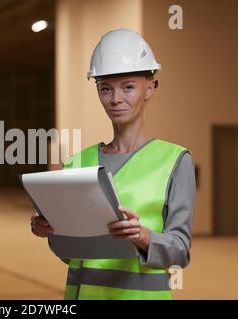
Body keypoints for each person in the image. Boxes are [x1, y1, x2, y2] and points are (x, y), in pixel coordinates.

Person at [30, 28, 196, 300]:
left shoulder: (175, 161)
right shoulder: (77, 163)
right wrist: (51, 231)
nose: (116, 99)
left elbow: (181, 252)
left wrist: (142, 236)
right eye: (105, 88)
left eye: (128, 87)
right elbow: (71, 256)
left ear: (150, 87)